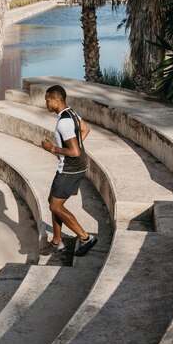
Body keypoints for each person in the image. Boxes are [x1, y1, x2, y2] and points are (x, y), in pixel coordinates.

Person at [41, 84, 98, 257]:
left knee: (55, 206)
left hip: (70, 169)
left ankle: (85, 237)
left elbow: (74, 151)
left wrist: (52, 149)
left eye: (48, 100)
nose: (46, 104)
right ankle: (56, 242)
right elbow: (85, 129)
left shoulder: (64, 123)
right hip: (74, 166)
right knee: (53, 201)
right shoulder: (71, 112)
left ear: (56, 100)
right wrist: (77, 145)